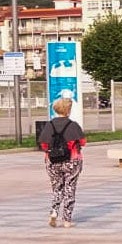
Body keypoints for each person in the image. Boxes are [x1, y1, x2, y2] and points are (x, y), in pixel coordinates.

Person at [38, 97, 85, 228]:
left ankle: (54, 212)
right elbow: (83, 142)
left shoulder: (49, 125)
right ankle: (67, 220)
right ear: (68, 110)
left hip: (52, 161)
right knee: (70, 188)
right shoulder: (73, 125)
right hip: (72, 161)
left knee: (57, 187)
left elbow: (43, 144)